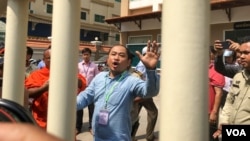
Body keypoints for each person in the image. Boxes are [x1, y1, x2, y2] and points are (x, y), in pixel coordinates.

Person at [77, 40, 160, 141]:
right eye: (113, 54)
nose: (116, 57)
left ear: (128, 62)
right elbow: (85, 97)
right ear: (108, 59)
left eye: (121, 55)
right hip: (97, 137)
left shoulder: (131, 81)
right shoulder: (99, 77)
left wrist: (151, 70)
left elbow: (150, 92)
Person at [25, 48, 87, 129]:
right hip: (42, 121)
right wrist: (43, 88)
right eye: (49, 58)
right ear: (44, 60)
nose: (53, 60)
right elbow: (27, 93)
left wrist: (71, 79)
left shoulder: (67, 72)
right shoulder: (36, 75)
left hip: (64, 119)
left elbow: (81, 83)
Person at [213, 36, 250, 139]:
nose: (241, 56)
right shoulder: (238, 75)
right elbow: (230, 101)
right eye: (240, 53)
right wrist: (224, 124)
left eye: (246, 53)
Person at [132, 46, 158, 141]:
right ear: (144, 55)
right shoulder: (143, 65)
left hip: (140, 93)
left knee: (134, 115)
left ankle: (131, 136)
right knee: (153, 112)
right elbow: (139, 78)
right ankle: (149, 136)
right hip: (143, 94)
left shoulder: (140, 64)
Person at [77, 48, 100, 134]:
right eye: (84, 54)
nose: (86, 56)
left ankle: (91, 127)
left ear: (90, 55)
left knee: (92, 109)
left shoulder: (94, 66)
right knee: (79, 109)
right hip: (80, 89)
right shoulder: (78, 65)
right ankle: (78, 127)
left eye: (87, 54)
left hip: (91, 89)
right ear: (82, 55)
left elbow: (97, 77)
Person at [208, 46, 225, 141]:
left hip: (209, 112)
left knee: (211, 136)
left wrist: (214, 112)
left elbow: (219, 93)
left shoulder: (216, 71)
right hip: (196, 111)